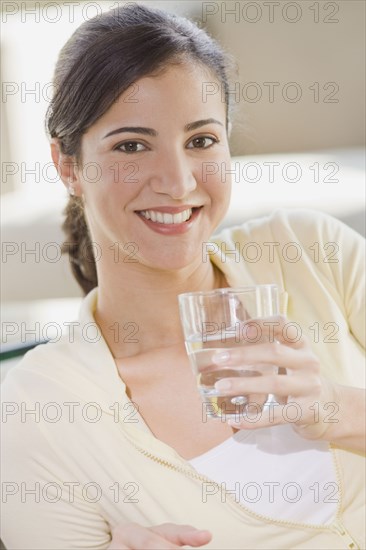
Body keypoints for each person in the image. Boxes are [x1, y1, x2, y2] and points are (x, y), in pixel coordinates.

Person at [1, 3, 365, 549]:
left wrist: (337, 407)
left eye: (201, 141)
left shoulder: (310, 251)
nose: (176, 182)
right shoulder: (40, 408)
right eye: (131, 146)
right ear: (68, 166)